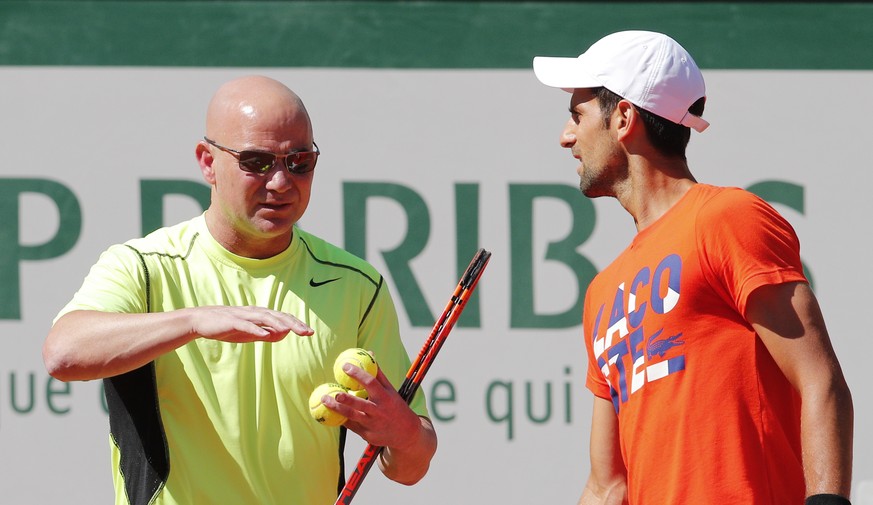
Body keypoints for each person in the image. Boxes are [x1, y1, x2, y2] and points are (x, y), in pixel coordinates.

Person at [42, 75, 437, 505]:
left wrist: (406, 436)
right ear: (208, 162)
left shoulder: (357, 285)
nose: (282, 183)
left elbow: (410, 466)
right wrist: (192, 321)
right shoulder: (145, 267)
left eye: (300, 161)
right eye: (257, 162)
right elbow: (64, 354)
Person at [533, 31, 853, 505]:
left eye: (577, 116)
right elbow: (607, 484)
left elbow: (820, 380)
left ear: (624, 118)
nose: (566, 137)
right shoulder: (602, 291)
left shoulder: (729, 218)